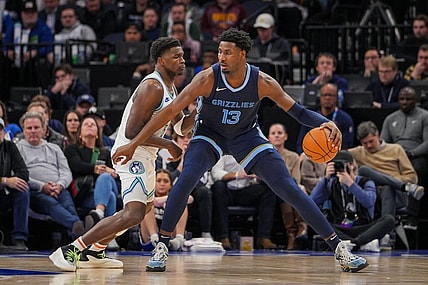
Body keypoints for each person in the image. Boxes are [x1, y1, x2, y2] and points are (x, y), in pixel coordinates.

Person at [112, 28, 368, 273]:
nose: (221, 57)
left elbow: (298, 111)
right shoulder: (207, 78)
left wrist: (325, 122)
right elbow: (169, 113)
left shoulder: (262, 81)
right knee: (185, 180)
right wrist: (133, 143)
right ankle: (162, 246)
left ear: (243, 54)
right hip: (209, 134)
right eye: (220, 52)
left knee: (289, 188)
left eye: (227, 52)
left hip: (246, 137)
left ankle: (339, 248)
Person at [49, 37, 195, 271]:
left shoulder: (170, 87)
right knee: (133, 212)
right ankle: (72, 250)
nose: (182, 60)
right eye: (176, 56)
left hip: (147, 154)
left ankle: (95, 252)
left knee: (142, 211)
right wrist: (168, 144)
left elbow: (180, 127)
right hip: (132, 153)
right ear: (161, 60)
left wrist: (198, 111)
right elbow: (132, 131)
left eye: (182, 56)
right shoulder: (152, 86)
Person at [348, 120, 424, 247]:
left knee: (388, 187)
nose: (368, 146)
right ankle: (402, 186)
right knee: (363, 170)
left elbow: (412, 178)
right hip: (372, 194)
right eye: (364, 143)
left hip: (396, 194)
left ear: (378, 135)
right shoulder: (358, 152)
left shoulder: (396, 149)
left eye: (371, 141)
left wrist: (388, 179)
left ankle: (385, 234)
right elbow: (339, 155)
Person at [16, 112, 85, 241]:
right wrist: (42, 186)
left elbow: (66, 172)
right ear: (23, 131)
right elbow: (19, 174)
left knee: (69, 206)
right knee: (51, 203)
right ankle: (80, 231)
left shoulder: (54, 148)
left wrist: (59, 185)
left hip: (59, 188)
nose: (33, 131)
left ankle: (77, 239)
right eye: (29, 128)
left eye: (36, 128)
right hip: (35, 191)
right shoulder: (17, 148)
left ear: (44, 129)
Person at [310, 150, 395, 252]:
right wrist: (325, 178)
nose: (338, 169)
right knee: (316, 220)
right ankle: (360, 244)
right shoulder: (331, 184)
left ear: (351, 165)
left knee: (389, 219)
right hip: (341, 227)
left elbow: (369, 202)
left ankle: (353, 243)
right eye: (335, 166)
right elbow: (312, 201)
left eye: (341, 165)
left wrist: (350, 183)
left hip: (363, 227)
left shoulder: (366, 181)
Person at [381, 87, 428, 229]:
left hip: (416, 155)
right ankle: (385, 219)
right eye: (402, 99)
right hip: (394, 156)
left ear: (416, 100)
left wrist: (411, 153)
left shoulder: (424, 116)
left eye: (408, 99)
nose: (404, 102)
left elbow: (427, 142)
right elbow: (383, 142)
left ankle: (411, 218)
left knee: (416, 170)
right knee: (380, 173)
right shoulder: (390, 119)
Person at [211, 154, 277, 250]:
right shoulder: (223, 151)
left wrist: (259, 175)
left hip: (245, 190)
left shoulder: (252, 151)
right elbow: (216, 173)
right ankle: (223, 237)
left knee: (268, 190)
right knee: (218, 186)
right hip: (227, 191)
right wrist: (237, 175)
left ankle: (264, 237)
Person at [166, 131, 213, 241]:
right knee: (175, 192)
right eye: (182, 137)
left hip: (195, 188)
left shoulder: (201, 155)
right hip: (175, 188)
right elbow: (168, 180)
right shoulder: (168, 156)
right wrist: (182, 162)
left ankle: (206, 233)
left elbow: (205, 180)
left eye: (189, 137)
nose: (186, 140)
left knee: (205, 191)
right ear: (176, 140)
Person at [268, 123, 307, 250]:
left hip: (287, 189)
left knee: (293, 187)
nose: (277, 136)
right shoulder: (265, 156)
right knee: (286, 188)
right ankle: (298, 228)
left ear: (285, 136)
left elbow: (296, 179)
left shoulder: (293, 156)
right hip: (269, 190)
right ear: (268, 137)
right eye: (273, 133)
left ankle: (293, 233)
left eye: (279, 133)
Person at [140, 169, 191, 251]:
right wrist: (155, 201)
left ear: (171, 185)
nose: (162, 184)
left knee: (181, 204)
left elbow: (190, 198)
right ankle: (155, 239)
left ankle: (179, 239)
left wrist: (166, 200)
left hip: (171, 237)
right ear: (153, 183)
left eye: (165, 181)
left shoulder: (174, 197)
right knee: (147, 204)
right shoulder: (148, 196)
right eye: (159, 181)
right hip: (150, 237)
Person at [296, 83, 354, 154]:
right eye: (325, 95)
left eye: (331, 95)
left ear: (336, 98)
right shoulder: (311, 117)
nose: (327, 98)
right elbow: (301, 142)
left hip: (336, 156)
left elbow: (347, 145)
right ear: (320, 97)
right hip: (314, 155)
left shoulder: (345, 119)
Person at [0, 118, 30, 251]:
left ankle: (20, 239)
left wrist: (12, 181)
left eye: (0, 129)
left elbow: (24, 173)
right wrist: (5, 181)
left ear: (3, 132)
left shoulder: (9, 146)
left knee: (22, 188)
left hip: (4, 195)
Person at [249, 13, 291, 85]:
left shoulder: (282, 44)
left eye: (264, 29)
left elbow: (285, 64)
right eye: (259, 29)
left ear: (272, 28)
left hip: (275, 82)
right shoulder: (252, 45)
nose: (261, 32)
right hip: (254, 82)